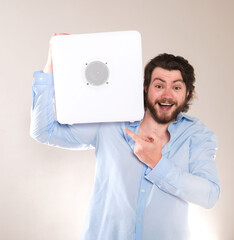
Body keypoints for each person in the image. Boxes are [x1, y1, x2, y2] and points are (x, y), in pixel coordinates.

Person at [30, 34, 220, 240]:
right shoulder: (111, 123)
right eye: (159, 85)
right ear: (146, 88)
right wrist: (51, 65)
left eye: (176, 87)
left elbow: (209, 195)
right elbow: (44, 130)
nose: (167, 94)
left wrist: (158, 164)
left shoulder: (197, 135)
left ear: (187, 93)